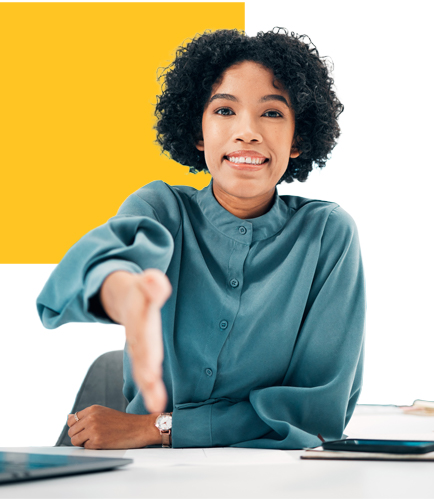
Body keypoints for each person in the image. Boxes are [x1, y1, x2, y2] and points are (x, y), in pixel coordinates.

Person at [36, 28, 365, 450]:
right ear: (198, 131)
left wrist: (156, 427)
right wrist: (112, 282)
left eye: (272, 113)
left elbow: (314, 414)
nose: (247, 132)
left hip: (272, 478)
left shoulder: (327, 235)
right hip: (148, 476)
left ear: (298, 138)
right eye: (225, 111)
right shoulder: (160, 209)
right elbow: (109, 255)